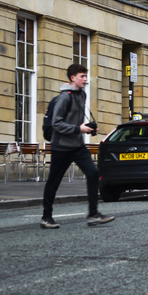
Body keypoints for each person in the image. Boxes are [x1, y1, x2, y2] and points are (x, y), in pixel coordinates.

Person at [40, 64, 115, 229]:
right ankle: (46, 217)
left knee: (93, 173)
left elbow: (75, 120)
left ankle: (93, 214)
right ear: (73, 77)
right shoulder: (64, 97)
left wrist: (88, 127)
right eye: (82, 76)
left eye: (86, 76)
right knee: (54, 181)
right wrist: (77, 129)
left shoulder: (82, 95)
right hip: (61, 147)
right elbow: (57, 123)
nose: (85, 79)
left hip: (77, 146)